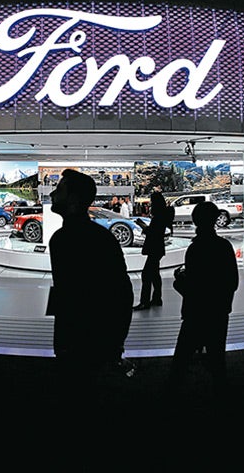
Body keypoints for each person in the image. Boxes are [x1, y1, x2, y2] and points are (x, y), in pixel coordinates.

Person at [46, 168, 134, 397]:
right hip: (88, 339)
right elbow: (123, 292)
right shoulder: (100, 238)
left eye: (59, 190)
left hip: (82, 340)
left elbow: (121, 293)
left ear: (73, 199)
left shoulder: (63, 240)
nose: (52, 194)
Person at [168, 201, 239, 396]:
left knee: (182, 358)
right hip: (218, 311)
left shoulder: (195, 249)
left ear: (195, 220)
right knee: (217, 357)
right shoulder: (224, 246)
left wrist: (179, 280)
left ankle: (171, 396)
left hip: (195, 312)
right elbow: (232, 282)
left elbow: (193, 286)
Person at [133, 191, 171, 311]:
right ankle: (156, 298)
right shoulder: (162, 215)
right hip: (158, 248)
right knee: (154, 274)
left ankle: (145, 302)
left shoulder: (158, 216)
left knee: (147, 275)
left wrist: (143, 227)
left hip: (154, 248)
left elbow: (153, 232)